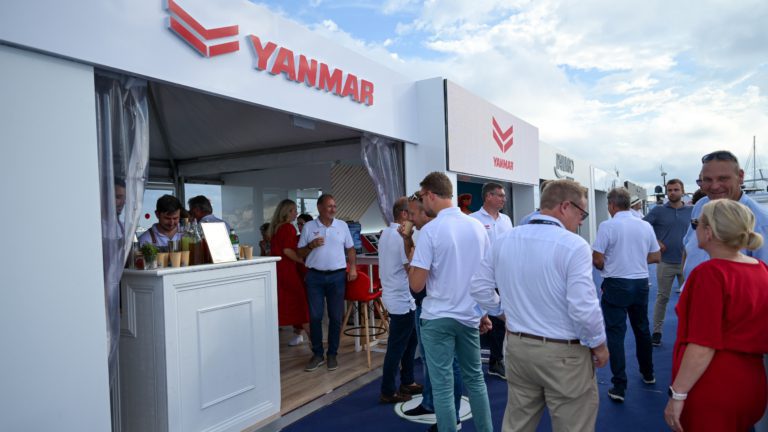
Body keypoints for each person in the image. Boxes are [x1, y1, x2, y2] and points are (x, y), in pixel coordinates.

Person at [471, 179, 608, 432]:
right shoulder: (574, 245)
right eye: (582, 213)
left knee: (517, 423)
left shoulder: (504, 239)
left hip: (518, 347)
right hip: (564, 353)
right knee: (573, 425)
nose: (581, 221)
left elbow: (479, 286)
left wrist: (502, 312)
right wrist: (598, 344)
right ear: (565, 207)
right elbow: (583, 307)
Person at [681, 150, 768, 431]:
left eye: (722, 178)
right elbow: (688, 248)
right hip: (699, 328)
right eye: (706, 180)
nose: (714, 186)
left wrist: (677, 394)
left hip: (729, 344)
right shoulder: (700, 206)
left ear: (740, 177)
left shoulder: (761, 219)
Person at [408, 172, 500, 432]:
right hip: (469, 316)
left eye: (422, 196)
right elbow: (484, 278)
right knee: (476, 381)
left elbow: (416, 285)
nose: (422, 202)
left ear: (431, 195)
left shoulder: (430, 231)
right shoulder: (477, 227)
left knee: (442, 387)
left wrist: (412, 262)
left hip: (437, 318)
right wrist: (483, 314)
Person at [401, 193, 464, 426]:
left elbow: (416, 280)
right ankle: (429, 403)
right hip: (426, 307)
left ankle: (452, 417)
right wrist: (407, 239)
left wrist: (411, 265)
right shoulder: (426, 233)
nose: (409, 218)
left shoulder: (435, 233)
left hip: (439, 311)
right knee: (430, 361)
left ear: (425, 212)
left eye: (412, 213)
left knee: (449, 364)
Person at [593, 187, 661, 403]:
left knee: (616, 333)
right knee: (642, 329)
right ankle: (648, 373)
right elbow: (656, 256)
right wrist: (636, 260)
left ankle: (619, 385)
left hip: (616, 283)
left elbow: (597, 259)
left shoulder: (607, 226)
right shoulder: (644, 225)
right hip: (640, 283)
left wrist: (608, 265)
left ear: (612, 205)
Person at [297, 194, 357, 372]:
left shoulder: (342, 226)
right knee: (315, 317)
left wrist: (353, 268)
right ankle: (317, 354)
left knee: (336, 317)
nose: (333, 209)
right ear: (319, 207)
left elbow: (350, 249)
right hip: (314, 277)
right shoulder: (309, 227)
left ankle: (332, 354)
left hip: (337, 277)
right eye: (329, 206)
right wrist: (311, 246)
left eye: (334, 206)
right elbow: (299, 253)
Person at [378, 197, 421, 403]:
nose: (414, 217)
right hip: (400, 297)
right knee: (396, 347)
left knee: (410, 341)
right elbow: (411, 267)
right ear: (403, 214)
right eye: (411, 213)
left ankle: (407, 380)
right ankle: (387, 391)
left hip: (397, 295)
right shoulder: (398, 236)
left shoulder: (386, 233)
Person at [469, 182, 513, 380]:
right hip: (482, 278)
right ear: (488, 196)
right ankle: (474, 361)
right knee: (477, 319)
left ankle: (496, 361)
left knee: (499, 320)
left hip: (503, 276)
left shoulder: (506, 220)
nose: (504, 199)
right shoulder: (473, 220)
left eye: (504, 196)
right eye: (500, 195)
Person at [643, 179, 693, 347]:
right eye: (670, 190)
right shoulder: (658, 211)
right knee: (662, 297)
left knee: (690, 300)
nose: (672, 192)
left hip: (687, 263)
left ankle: (691, 331)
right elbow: (642, 227)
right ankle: (657, 332)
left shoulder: (692, 211)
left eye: (676, 189)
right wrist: (655, 241)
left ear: (682, 191)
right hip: (665, 262)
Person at [268, 199, 309, 347]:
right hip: (288, 271)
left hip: (278, 271)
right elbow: (287, 251)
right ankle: (315, 343)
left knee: (290, 305)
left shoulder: (276, 228)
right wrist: (302, 261)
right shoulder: (288, 228)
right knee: (301, 306)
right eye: (294, 210)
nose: (296, 213)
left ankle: (302, 336)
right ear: (287, 212)